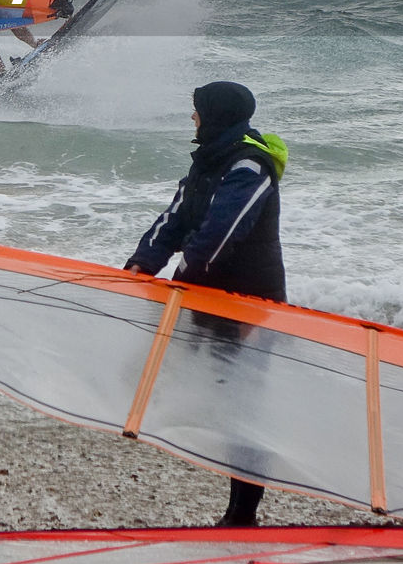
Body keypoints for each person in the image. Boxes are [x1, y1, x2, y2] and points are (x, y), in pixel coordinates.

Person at [123, 81, 288, 527]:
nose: (191, 118)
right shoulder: (209, 161)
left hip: (253, 304)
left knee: (243, 406)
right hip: (204, 293)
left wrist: (181, 278)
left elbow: (221, 234)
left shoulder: (251, 167)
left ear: (215, 115)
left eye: (196, 110)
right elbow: (177, 216)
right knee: (171, 377)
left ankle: (242, 513)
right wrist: (141, 263)